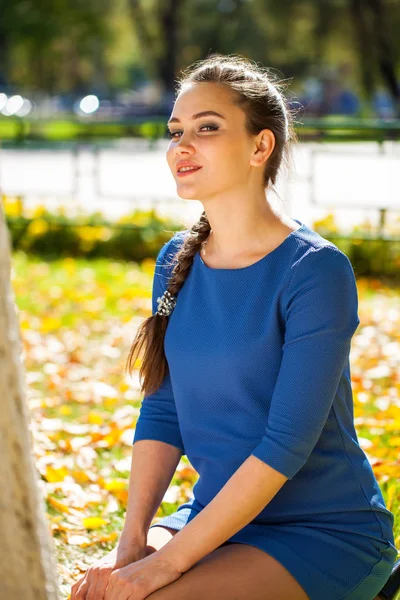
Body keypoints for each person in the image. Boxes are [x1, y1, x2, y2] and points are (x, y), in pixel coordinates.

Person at [71, 54, 398, 600]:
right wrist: (132, 543)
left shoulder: (316, 271)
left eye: (207, 128)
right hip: (214, 514)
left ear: (260, 146)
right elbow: (164, 406)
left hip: (321, 533)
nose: (182, 145)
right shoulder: (176, 258)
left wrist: (162, 567)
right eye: (176, 131)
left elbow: (286, 445)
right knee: (94, 594)